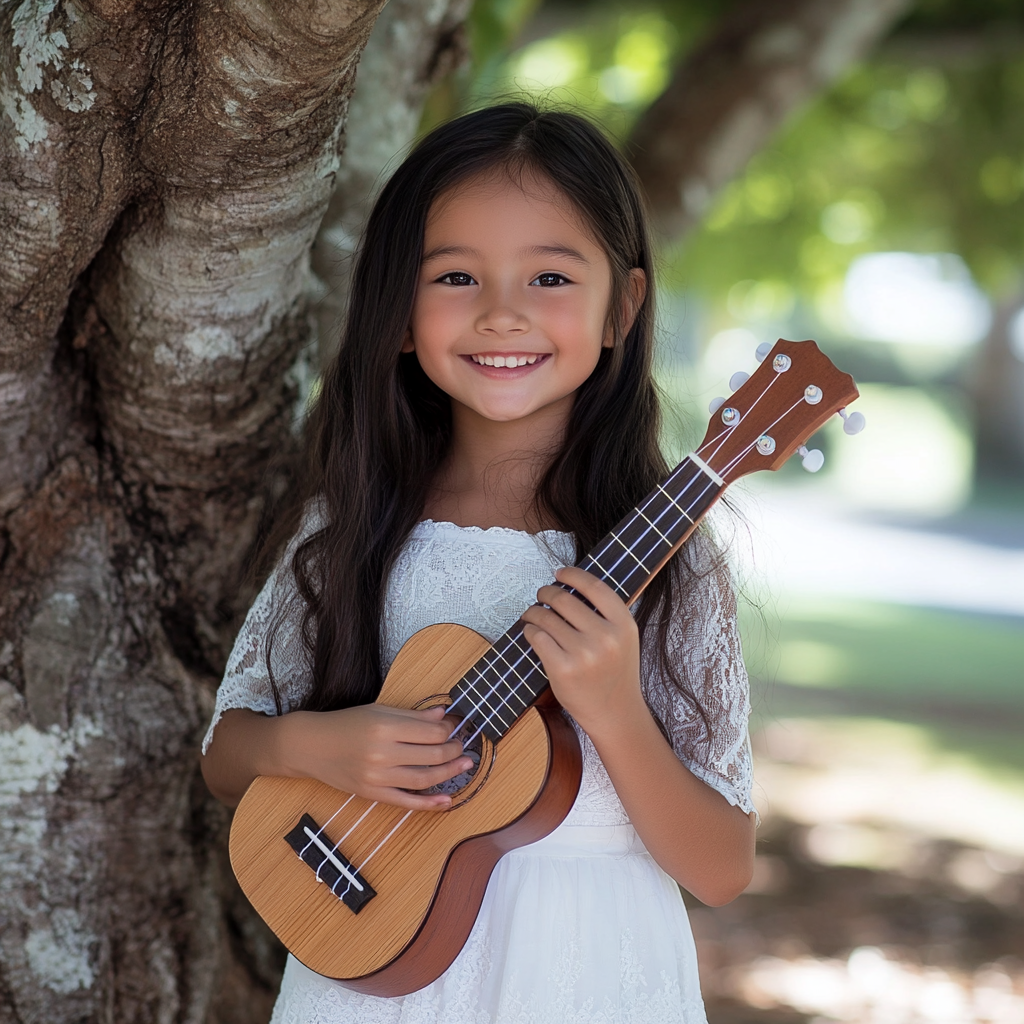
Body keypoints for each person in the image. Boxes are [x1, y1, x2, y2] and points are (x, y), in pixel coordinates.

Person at [201, 101, 757, 1024]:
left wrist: (615, 711)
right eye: (456, 276)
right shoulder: (349, 528)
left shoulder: (672, 565)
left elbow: (725, 868)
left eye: (548, 275)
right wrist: (322, 747)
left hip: (586, 973)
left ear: (622, 306)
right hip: (367, 964)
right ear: (400, 313)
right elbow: (227, 755)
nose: (503, 314)